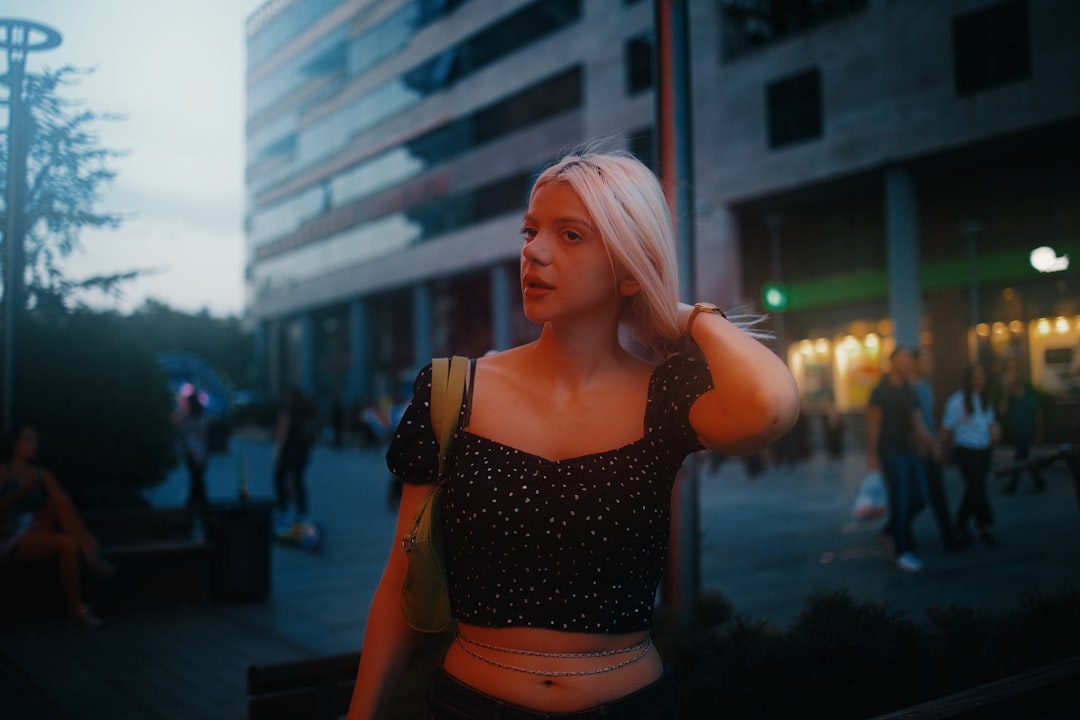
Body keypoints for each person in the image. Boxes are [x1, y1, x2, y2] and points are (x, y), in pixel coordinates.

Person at [347, 148, 800, 719]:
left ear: (630, 266)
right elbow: (399, 584)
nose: (532, 251)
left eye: (571, 236)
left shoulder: (665, 398)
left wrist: (685, 314)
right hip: (470, 707)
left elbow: (771, 407)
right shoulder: (451, 391)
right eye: (531, 229)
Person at [0, 425, 114, 629]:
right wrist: (20, 494)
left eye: (35, 441)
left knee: (60, 500)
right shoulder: (4, 472)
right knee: (68, 545)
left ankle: (88, 551)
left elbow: (62, 504)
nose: (34, 446)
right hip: (11, 534)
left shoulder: (39, 473)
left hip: (34, 526)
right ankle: (77, 608)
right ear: (15, 445)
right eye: (28, 441)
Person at [865, 347, 937, 573]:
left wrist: (931, 444)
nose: (906, 363)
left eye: (908, 360)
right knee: (901, 499)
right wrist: (873, 455)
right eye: (902, 359)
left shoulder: (909, 390)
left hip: (909, 450)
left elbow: (917, 422)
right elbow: (873, 426)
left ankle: (889, 532)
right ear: (892, 362)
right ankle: (901, 552)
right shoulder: (880, 392)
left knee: (921, 498)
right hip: (890, 452)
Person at [908, 349, 968, 552]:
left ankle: (948, 534)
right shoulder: (910, 388)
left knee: (936, 492)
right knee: (920, 495)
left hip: (930, 446)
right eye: (925, 362)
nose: (929, 366)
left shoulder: (925, 386)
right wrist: (928, 445)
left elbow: (929, 418)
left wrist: (936, 442)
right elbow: (914, 422)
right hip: (918, 450)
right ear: (914, 363)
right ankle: (896, 531)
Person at [941, 364, 1001, 546]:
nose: (980, 380)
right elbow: (947, 427)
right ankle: (984, 526)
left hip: (984, 449)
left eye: (982, 376)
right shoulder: (956, 401)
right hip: (966, 449)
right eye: (976, 376)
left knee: (975, 487)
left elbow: (990, 422)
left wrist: (995, 432)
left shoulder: (985, 399)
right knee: (976, 486)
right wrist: (937, 446)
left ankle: (961, 521)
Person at [273, 386, 318, 537]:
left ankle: (283, 512)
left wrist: (277, 454)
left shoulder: (287, 411)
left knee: (279, 480)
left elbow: (282, 434)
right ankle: (301, 514)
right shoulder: (306, 412)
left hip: (289, 451)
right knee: (298, 481)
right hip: (303, 452)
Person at [175, 390, 211, 535]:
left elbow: (181, 435)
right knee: (198, 482)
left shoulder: (186, 420)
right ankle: (201, 509)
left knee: (196, 482)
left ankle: (193, 509)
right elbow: (207, 437)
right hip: (202, 454)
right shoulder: (204, 418)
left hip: (191, 454)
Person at [1000, 378, 1044, 494]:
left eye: (1012, 387)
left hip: (1026, 433)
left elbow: (1037, 416)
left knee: (1019, 459)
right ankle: (1039, 482)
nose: (1011, 389)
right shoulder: (1011, 399)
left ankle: (1012, 485)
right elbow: (1002, 412)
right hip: (1016, 434)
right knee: (1025, 459)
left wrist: (1038, 434)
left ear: (1019, 386)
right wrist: (1005, 395)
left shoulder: (1030, 398)